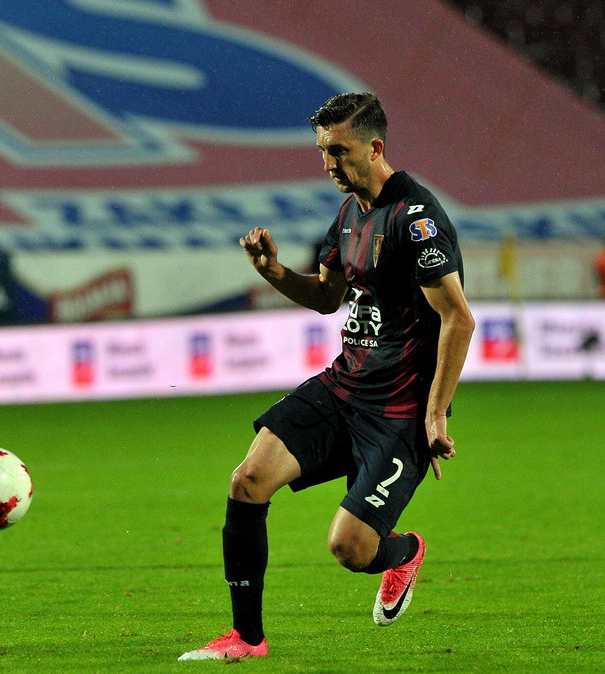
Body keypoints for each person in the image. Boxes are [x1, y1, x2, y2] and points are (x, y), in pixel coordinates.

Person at [179, 92, 475, 660]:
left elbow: (457, 318)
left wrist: (435, 412)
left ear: (375, 146)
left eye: (338, 151)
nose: (327, 164)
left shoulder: (416, 218)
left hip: (398, 409)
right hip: (343, 387)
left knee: (350, 549)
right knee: (247, 480)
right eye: (322, 151)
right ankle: (246, 637)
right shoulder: (347, 214)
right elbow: (325, 297)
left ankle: (404, 551)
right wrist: (274, 272)